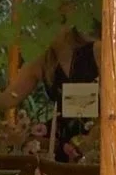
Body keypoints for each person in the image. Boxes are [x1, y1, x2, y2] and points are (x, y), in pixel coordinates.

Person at [9, 24, 98, 159]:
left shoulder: (95, 51)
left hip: (100, 141)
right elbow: (10, 97)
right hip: (65, 143)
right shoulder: (43, 62)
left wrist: (92, 137)